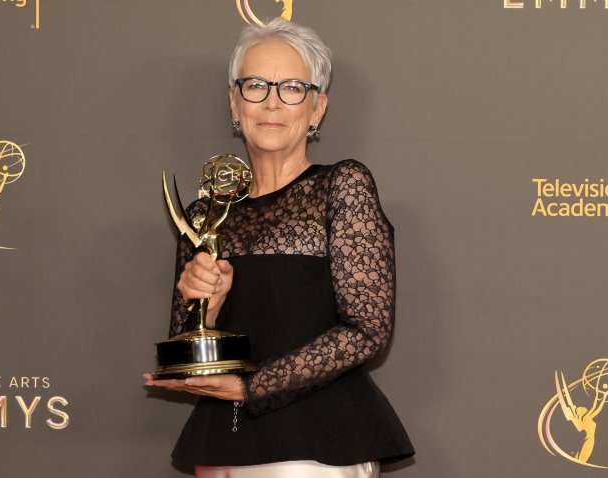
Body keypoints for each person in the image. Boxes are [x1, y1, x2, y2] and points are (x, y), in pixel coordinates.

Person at [145, 18, 414, 477]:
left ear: (317, 107)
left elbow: (367, 329)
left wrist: (252, 387)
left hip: (315, 446)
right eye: (255, 85)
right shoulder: (205, 214)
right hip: (220, 443)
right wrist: (205, 306)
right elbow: (187, 351)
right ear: (234, 102)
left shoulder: (341, 186)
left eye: (291, 87)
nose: (271, 102)